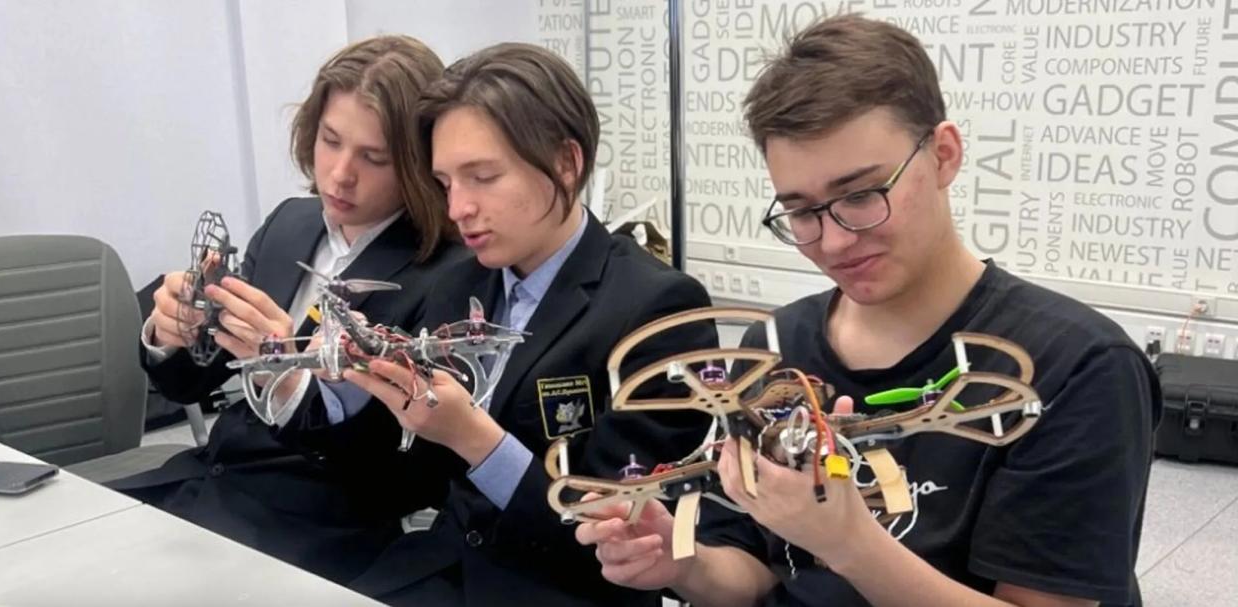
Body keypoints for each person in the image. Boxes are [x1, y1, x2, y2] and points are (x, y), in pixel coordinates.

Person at [577, 14, 1161, 607]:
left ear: (944, 155)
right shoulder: (776, 349)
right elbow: (755, 571)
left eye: (861, 195)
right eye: (801, 211)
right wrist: (684, 564)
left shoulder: (1075, 366)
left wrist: (850, 542)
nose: (833, 242)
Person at [291, 42, 718, 607]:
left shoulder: (658, 309)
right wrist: (346, 387)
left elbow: (616, 533)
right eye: (446, 183)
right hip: (439, 569)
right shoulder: (458, 284)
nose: (458, 209)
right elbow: (408, 481)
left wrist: (475, 439)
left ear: (566, 164)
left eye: (483, 177)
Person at [107, 35, 465, 585]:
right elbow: (190, 384)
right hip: (205, 483)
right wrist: (171, 333)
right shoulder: (290, 223)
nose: (339, 174)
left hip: (315, 526)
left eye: (373, 158)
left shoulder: (446, 272)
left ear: (418, 165)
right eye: (330, 141)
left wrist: (290, 380)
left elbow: (413, 474)